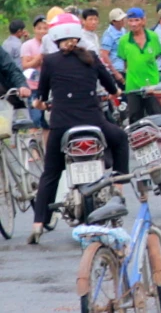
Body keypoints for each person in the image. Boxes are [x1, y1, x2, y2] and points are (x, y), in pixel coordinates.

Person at [27, 14, 128, 245]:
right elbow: (111, 86)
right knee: (120, 138)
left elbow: (42, 95)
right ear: (78, 35)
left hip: (62, 127)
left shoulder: (50, 61)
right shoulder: (91, 57)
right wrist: (115, 93)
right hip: (94, 123)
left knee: (51, 173)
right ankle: (120, 188)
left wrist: (39, 103)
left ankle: (38, 224)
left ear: (55, 39)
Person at [117, 7, 161, 124]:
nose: (133, 24)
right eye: (131, 21)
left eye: (137, 20)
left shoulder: (153, 37)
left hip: (152, 85)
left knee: (157, 117)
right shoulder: (123, 41)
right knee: (135, 121)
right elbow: (125, 62)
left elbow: (156, 56)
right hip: (133, 87)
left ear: (143, 21)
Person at [20, 15, 49, 132]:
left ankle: (47, 149)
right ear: (34, 29)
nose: (42, 31)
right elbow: (25, 65)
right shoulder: (27, 45)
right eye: (39, 28)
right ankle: (34, 149)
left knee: (47, 123)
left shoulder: (52, 44)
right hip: (33, 88)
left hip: (48, 87)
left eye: (45, 28)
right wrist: (40, 57)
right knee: (35, 120)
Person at [100, 7, 127, 88]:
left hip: (123, 68)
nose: (122, 21)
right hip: (116, 70)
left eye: (123, 19)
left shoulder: (123, 31)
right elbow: (104, 55)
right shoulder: (109, 35)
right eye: (120, 20)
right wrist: (115, 73)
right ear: (113, 21)